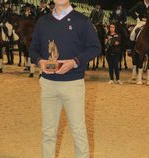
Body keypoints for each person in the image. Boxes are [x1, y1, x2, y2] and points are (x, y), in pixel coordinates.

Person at [29, 0, 101, 157]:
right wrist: (39, 61)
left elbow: (95, 47)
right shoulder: (43, 21)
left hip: (73, 84)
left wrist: (75, 62)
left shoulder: (82, 21)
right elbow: (33, 48)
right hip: (48, 83)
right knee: (48, 132)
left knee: (78, 131)